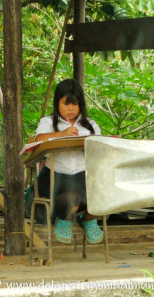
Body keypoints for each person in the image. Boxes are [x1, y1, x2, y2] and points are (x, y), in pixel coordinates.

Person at [29, 78, 103, 244]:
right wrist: (62, 134)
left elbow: (100, 151)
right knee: (71, 194)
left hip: (84, 176)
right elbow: (38, 140)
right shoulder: (48, 122)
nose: (71, 108)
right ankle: (66, 217)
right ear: (57, 103)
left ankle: (88, 218)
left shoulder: (90, 125)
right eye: (66, 103)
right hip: (55, 180)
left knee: (105, 191)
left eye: (75, 104)